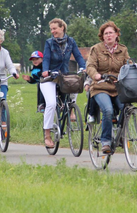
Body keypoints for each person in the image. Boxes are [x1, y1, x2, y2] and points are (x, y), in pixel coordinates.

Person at [41, 18, 86, 148]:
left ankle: (71, 109)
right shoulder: (49, 42)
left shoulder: (71, 41)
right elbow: (46, 58)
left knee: (75, 83)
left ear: (62, 28)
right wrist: (45, 70)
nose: (52, 31)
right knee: (51, 104)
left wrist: (83, 67)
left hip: (64, 75)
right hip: (50, 77)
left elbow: (78, 56)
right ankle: (47, 135)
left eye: (54, 28)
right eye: (51, 29)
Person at [86, 21, 130, 154]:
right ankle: (105, 141)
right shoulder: (96, 49)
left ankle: (120, 135)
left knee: (126, 109)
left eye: (111, 33)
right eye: (106, 33)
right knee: (108, 110)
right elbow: (90, 66)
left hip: (117, 88)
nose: (108, 35)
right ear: (102, 36)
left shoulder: (123, 50)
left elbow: (129, 64)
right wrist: (96, 75)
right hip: (100, 87)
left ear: (116, 34)